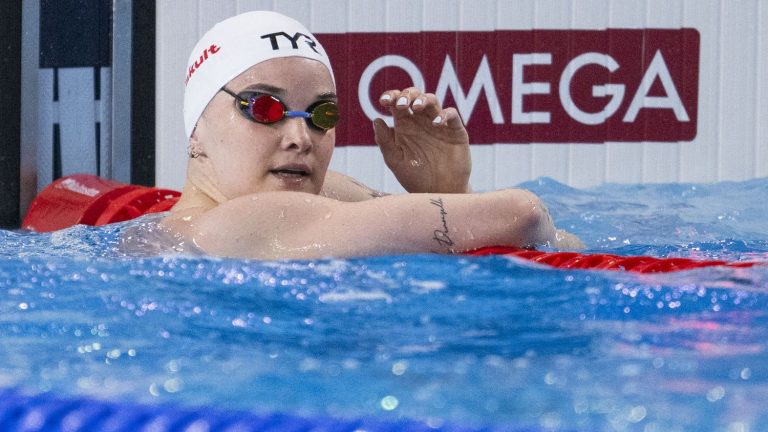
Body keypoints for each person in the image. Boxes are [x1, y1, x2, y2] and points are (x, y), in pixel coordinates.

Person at [161, 11, 582, 259]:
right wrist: (460, 199)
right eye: (264, 108)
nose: (300, 136)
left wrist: (447, 189)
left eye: (321, 114)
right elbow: (524, 216)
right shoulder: (236, 223)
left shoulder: (321, 197)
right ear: (196, 127)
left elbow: (562, 244)